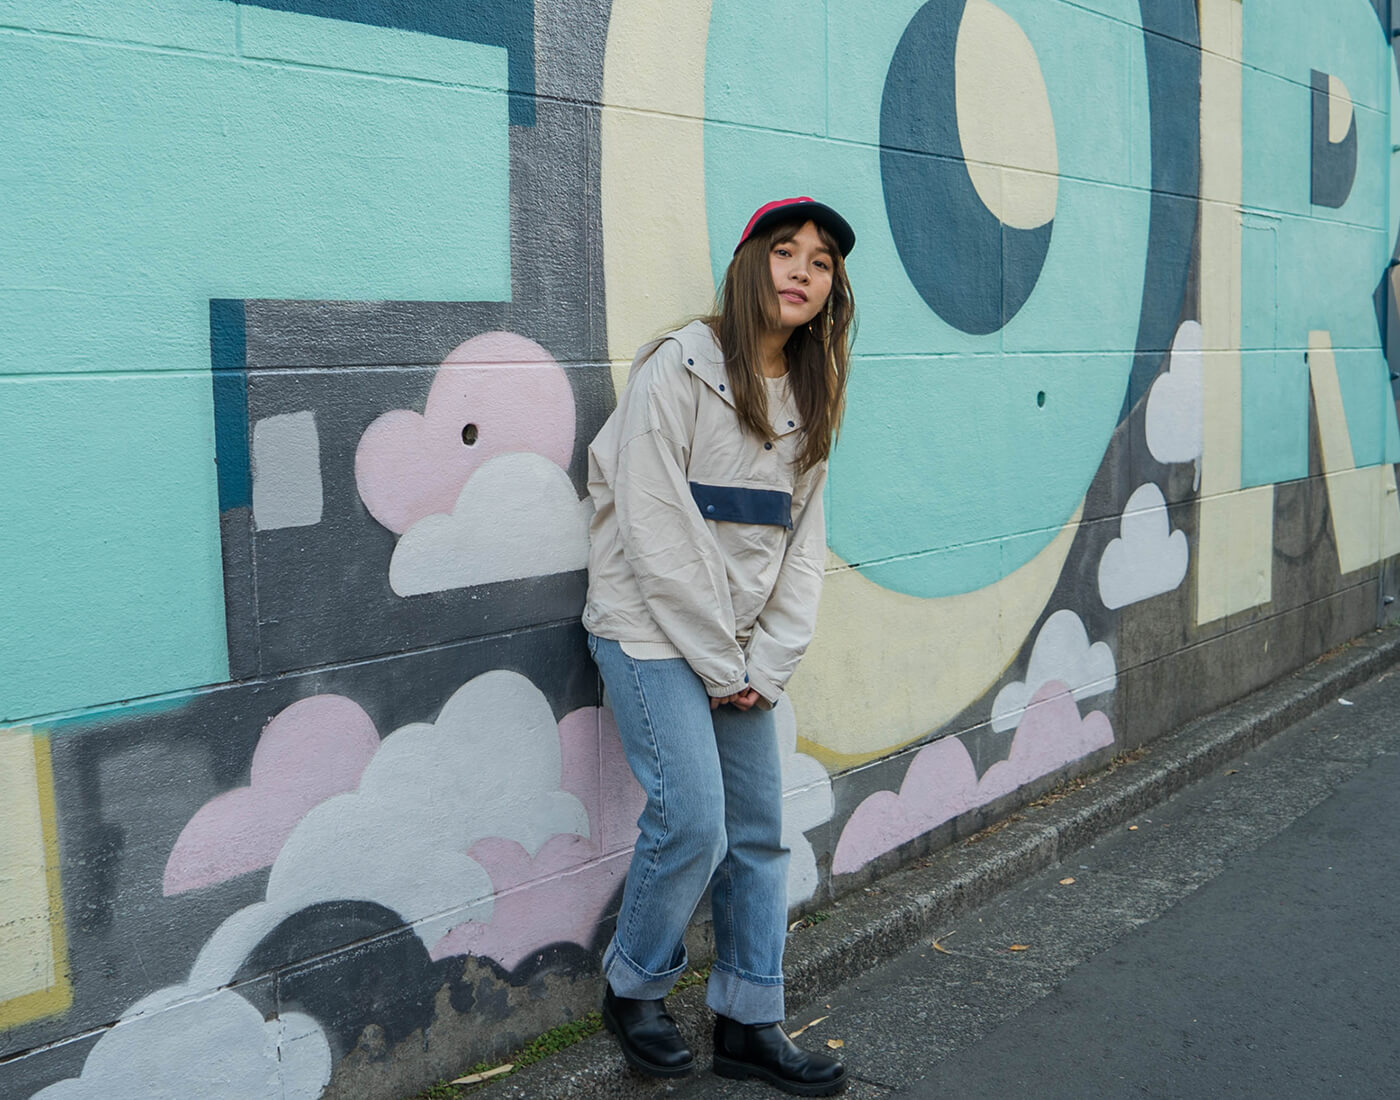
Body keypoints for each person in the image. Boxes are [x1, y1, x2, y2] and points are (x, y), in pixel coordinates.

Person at [582, 197, 856, 1096]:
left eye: (821, 262)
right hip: (648, 630)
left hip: (735, 651)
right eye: (786, 251)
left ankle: (748, 1021)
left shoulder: (809, 397)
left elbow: (803, 549)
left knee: (759, 831)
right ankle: (633, 987)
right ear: (749, 264)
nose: (802, 271)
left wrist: (763, 666)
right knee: (694, 820)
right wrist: (721, 664)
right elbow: (657, 535)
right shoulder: (680, 367)